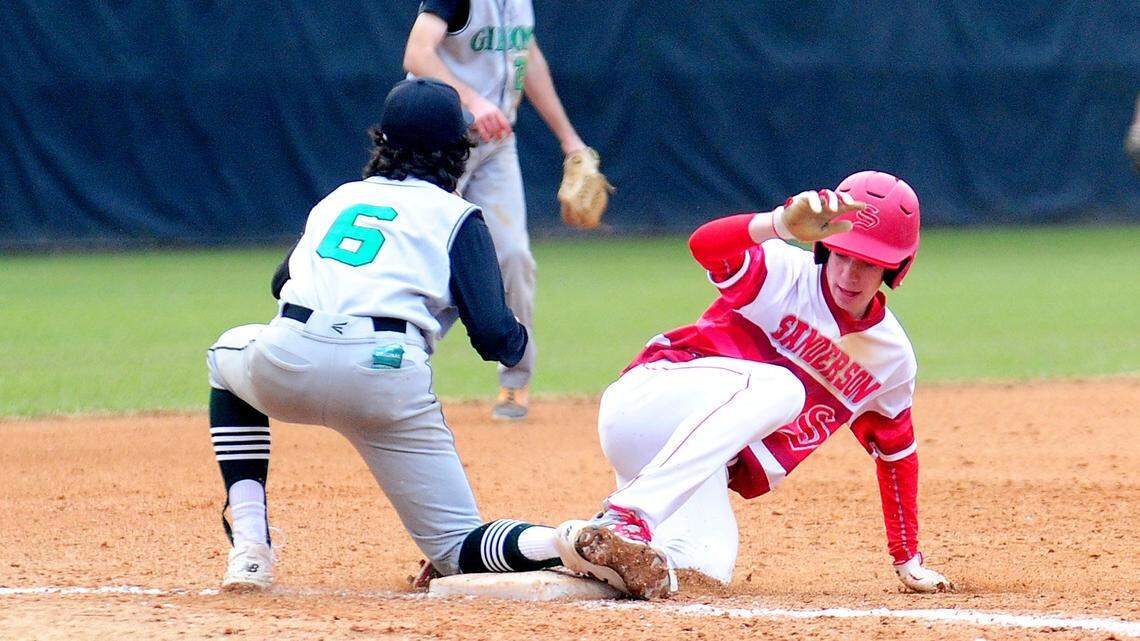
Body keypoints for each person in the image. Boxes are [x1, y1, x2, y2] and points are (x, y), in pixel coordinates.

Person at [204, 78, 565, 591]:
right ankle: (566, 540)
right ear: (459, 151)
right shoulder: (457, 217)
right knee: (457, 547)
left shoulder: (341, 198)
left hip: (288, 360)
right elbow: (493, 337)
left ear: (382, 143)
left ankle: (250, 549)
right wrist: (521, 344)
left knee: (225, 357)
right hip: (385, 376)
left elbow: (280, 282)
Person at [553, 172, 953, 599]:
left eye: (869, 263)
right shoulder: (783, 271)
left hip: (688, 465)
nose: (850, 275)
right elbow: (703, 246)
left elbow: (895, 454)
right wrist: (778, 225)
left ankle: (563, 545)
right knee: (785, 389)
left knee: (700, 570)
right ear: (824, 245)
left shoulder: (890, 357)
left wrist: (908, 559)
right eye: (842, 255)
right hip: (647, 404)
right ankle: (627, 513)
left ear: (896, 267)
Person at [402, 0, 598, 420]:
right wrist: (472, 99)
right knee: (417, 260)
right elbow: (417, 53)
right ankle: (397, 373)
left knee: (513, 257)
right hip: (437, 141)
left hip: (495, 145)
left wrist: (569, 139)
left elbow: (526, 54)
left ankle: (515, 379)